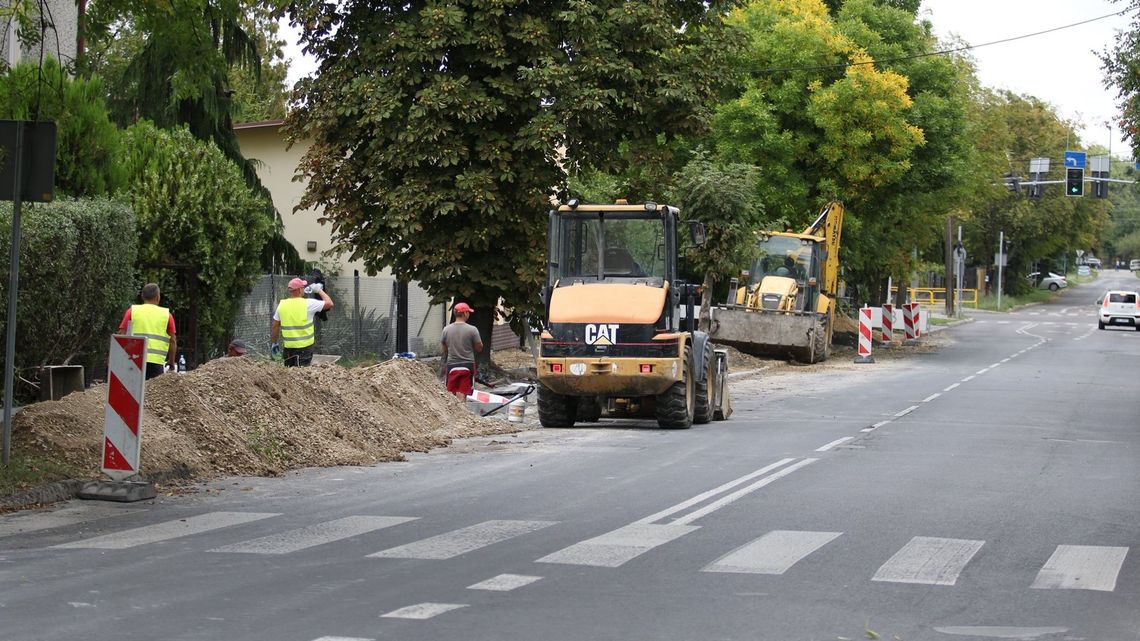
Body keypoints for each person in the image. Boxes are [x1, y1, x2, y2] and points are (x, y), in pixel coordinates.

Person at [118, 283, 176, 380]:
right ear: (158, 297)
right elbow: (173, 341)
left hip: (134, 360)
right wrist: (171, 362)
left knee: (134, 391)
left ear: (142, 296)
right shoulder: (167, 315)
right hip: (156, 363)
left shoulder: (132, 311)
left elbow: (121, 334)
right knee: (153, 393)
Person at [270, 277, 333, 367]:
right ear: (300, 290)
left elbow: (275, 326)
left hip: (288, 349)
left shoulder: (282, 305)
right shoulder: (308, 304)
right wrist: (319, 290)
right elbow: (330, 303)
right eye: (303, 287)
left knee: (289, 374)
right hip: (304, 349)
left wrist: (274, 343)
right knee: (300, 376)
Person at [440, 302, 484, 400]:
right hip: (467, 364)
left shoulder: (446, 330)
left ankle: (452, 412)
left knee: (451, 391)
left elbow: (444, 349)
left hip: (452, 364)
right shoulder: (472, 330)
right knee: (463, 391)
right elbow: (479, 348)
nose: (469, 314)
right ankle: (462, 413)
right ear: (464, 314)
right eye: (468, 312)